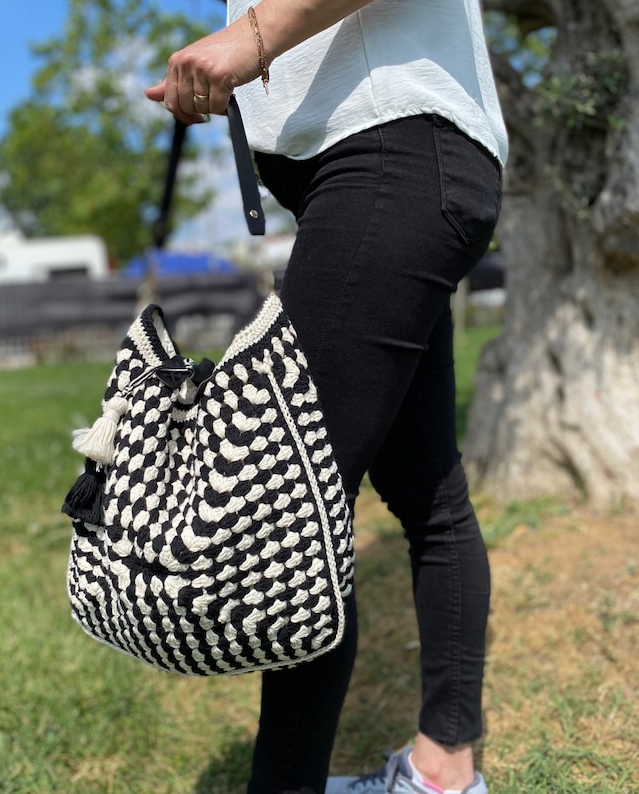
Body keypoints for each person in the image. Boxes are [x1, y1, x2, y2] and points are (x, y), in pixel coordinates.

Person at [146, 0, 506, 792]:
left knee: (295, 515)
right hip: (409, 166)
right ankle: (443, 775)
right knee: (428, 494)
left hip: (392, 159)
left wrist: (250, 37)